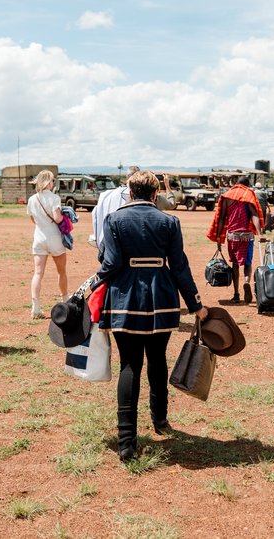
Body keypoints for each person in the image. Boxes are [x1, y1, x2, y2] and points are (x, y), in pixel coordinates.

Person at [93, 170, 208, 462]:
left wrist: (92, 284)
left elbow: (111, 262)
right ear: (155, 193)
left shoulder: (114, 219)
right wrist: (196, 304)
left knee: (129, 365)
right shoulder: (169, 220)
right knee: (157, 359)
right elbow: (179, 266)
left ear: (130, 192)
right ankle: (160, 420)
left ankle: (126, 442)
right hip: (161, 296)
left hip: (124, 298)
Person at [92, 167, 175, 256]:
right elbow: (172, 204)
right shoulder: (170, 220)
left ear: (131, 194)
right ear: (154, 193)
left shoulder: (111, 204)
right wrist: (167, 185)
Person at [207, 176, 263, 303]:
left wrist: (218, 237)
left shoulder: (227, 196)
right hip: (247, 236)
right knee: (247, 263)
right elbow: (254, 214)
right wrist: (259, 233)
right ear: (247, 185)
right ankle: (247, 282)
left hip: (232, 236)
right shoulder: (248, 195)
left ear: (237, 184)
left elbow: (220, 218)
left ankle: (236, 294)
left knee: (235, 264)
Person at [27, 170, 69, 319]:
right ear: (48, 182)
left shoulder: (32, 199)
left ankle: (36, 307)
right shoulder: (54, 198)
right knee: (61, 271)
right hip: (54, 238)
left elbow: (33, 219)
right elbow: (58, 219)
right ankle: (65, 300)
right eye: (52, 181)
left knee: (38, 273)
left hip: (38, 238)